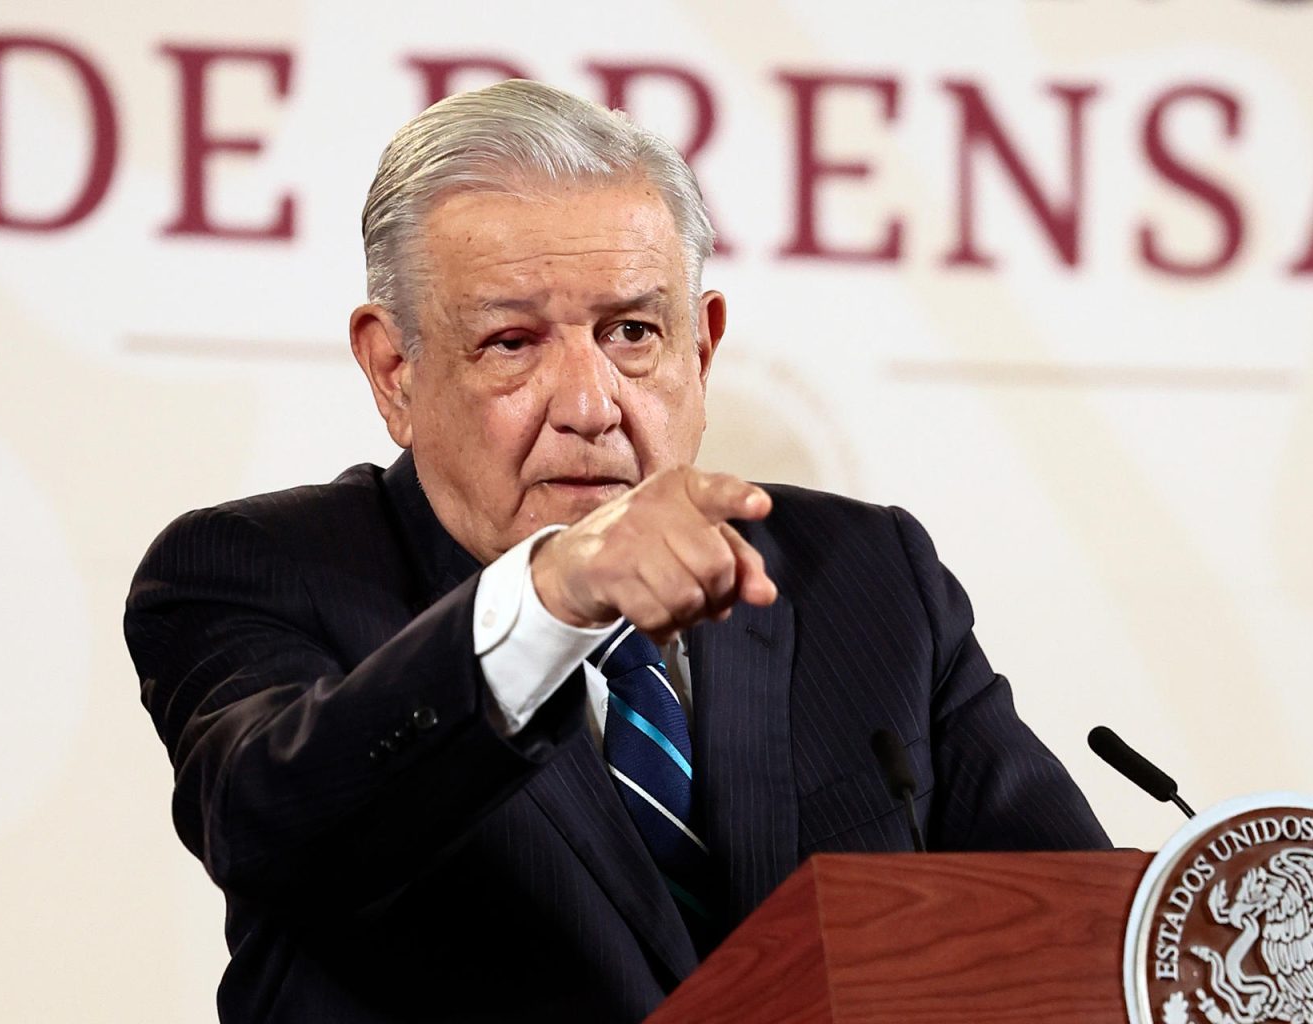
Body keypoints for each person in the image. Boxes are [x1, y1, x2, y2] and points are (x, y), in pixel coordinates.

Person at [125, 79, 1108, 1024]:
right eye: (512, 343)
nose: (590, 407)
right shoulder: (252, 572)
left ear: (703, 349)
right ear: (394, 370)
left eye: (633, 332)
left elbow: (1080, 939)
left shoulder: (862, 573)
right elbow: (277, 830)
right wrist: (549, 598)